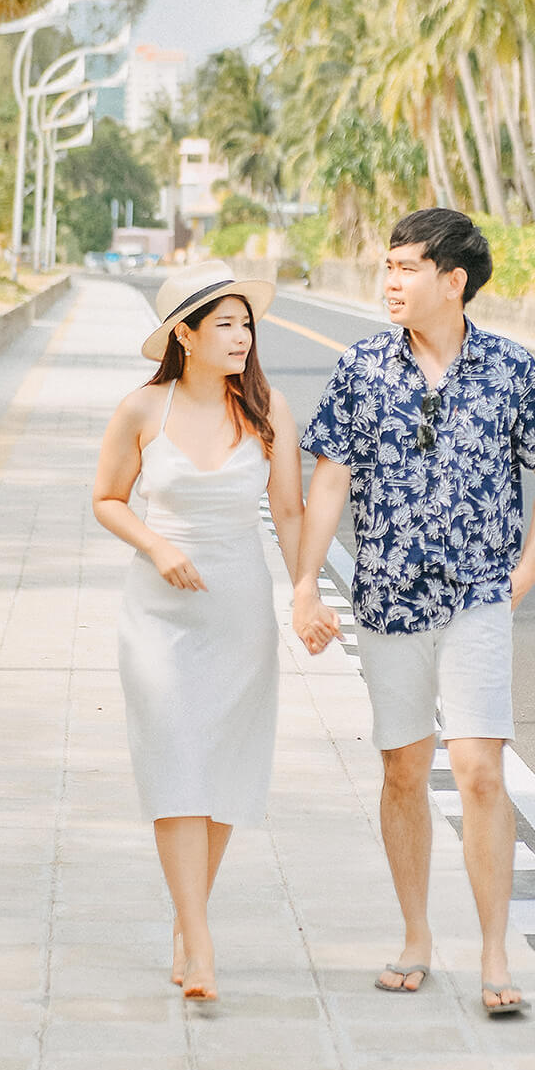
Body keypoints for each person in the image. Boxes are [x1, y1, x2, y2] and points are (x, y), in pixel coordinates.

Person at [293, 208, 535, 1015]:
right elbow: (331, 479)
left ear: (453, 282)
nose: (390, 281)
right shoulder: (360, 368)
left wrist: (524, 570)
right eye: (386, 265)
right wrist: (308, 583)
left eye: (407, 267)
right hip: (386, 599)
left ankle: (494, 954)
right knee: (403, 771)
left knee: (482, 770)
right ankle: (416, 935)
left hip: (479, 599)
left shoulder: (511, 370)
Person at [93, 262, 304, 1002]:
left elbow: (289, 514)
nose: (242, 336)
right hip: (159, 613)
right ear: (185, 334)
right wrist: (157, 545)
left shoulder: (271, 408)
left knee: (220, 772)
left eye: (247, 324)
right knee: (174, 762)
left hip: (239, 609)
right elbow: (108, 499)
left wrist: (305, 590)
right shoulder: (141, 409)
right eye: (226, 324)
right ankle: (202, 940)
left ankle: (189, 923)